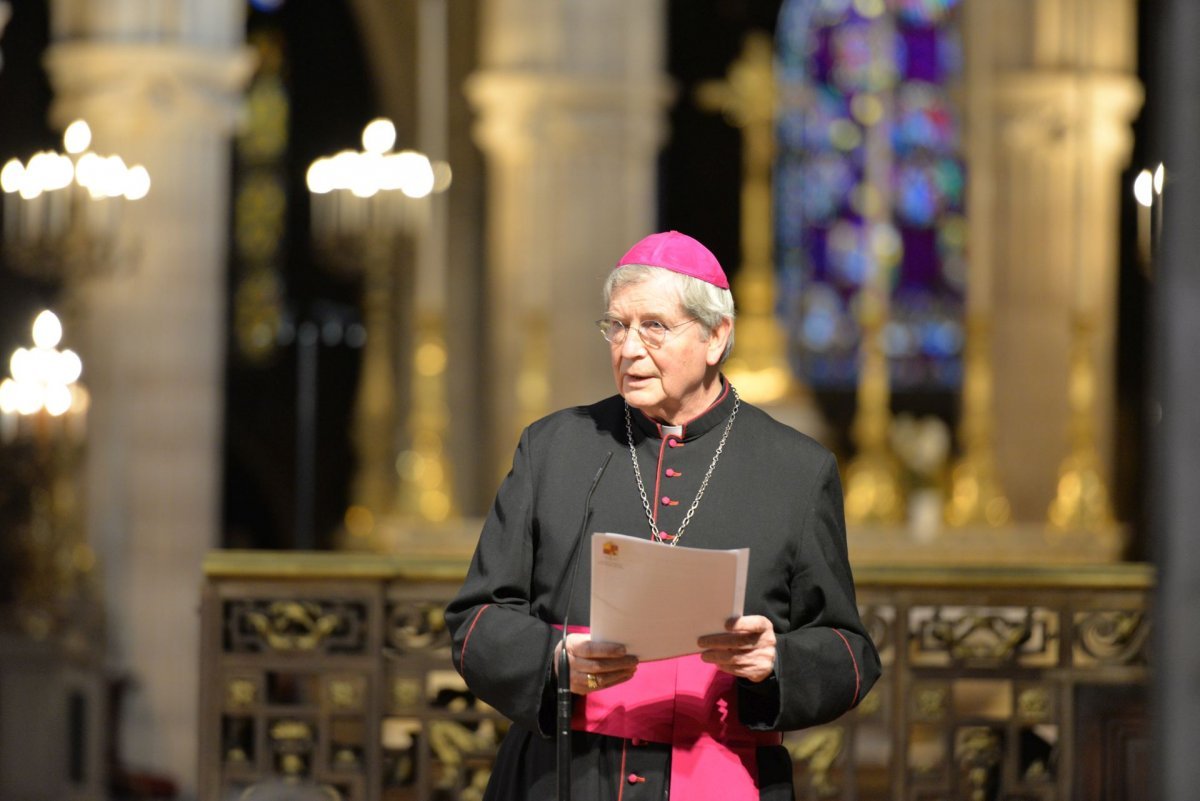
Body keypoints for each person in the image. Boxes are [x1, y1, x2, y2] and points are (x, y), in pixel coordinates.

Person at [445, 231, 881, 800]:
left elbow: (848, 650)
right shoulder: (553, 449)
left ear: (716, 337)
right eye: (616, 326)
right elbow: (477, 618)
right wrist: (554, 661)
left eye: (654, 326)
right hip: (562, 776)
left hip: (719, 769)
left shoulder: (797, 470)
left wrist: (775, 660)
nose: (627, 349)